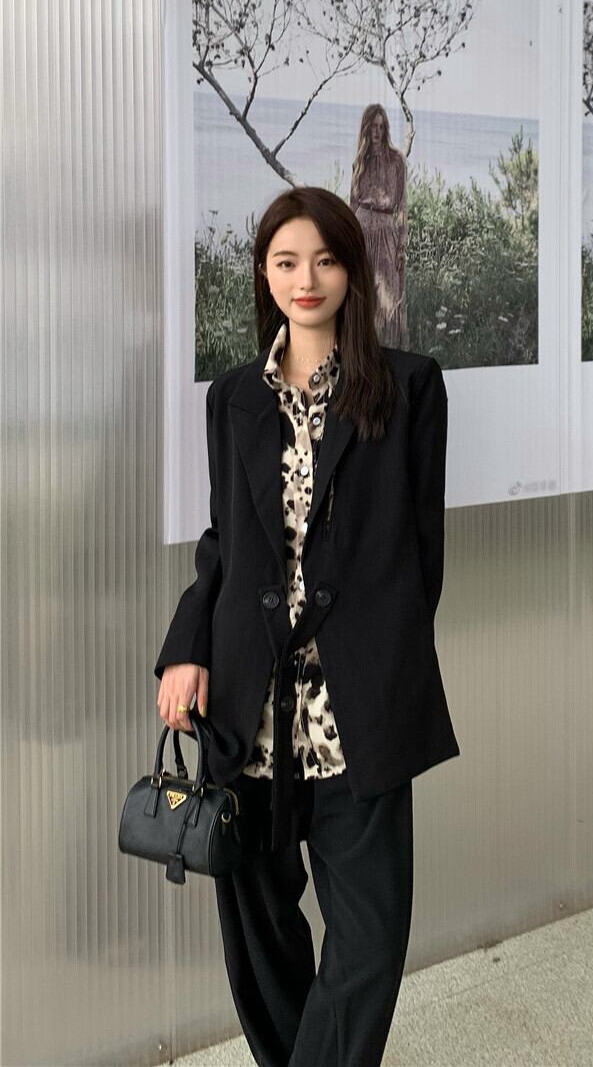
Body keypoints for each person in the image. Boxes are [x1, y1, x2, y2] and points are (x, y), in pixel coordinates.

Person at [153, 185, 460, 1067]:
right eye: (287, 261)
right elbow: (226, 539)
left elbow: (422, 554)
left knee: (369, 940)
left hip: (354, 710)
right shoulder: (232, 398)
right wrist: (186, 647)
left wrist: (379, 655)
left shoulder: (408, 386)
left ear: (352, 270)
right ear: (264, 273)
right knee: (260, 940)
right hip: (246, 707)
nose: (307, 278)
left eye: (325, 259)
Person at [350, 104, 409, 351]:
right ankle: (363, 351)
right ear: (366, 129)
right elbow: (353, 204)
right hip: (362, 231)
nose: (377, 131)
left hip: (387, 233)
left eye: (381, 127)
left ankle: (388, 351)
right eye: (373, 126)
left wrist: (401, 245)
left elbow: (402, 205)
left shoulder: (396, 161)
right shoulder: (359, 162)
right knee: (362, 295)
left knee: (388, 297)